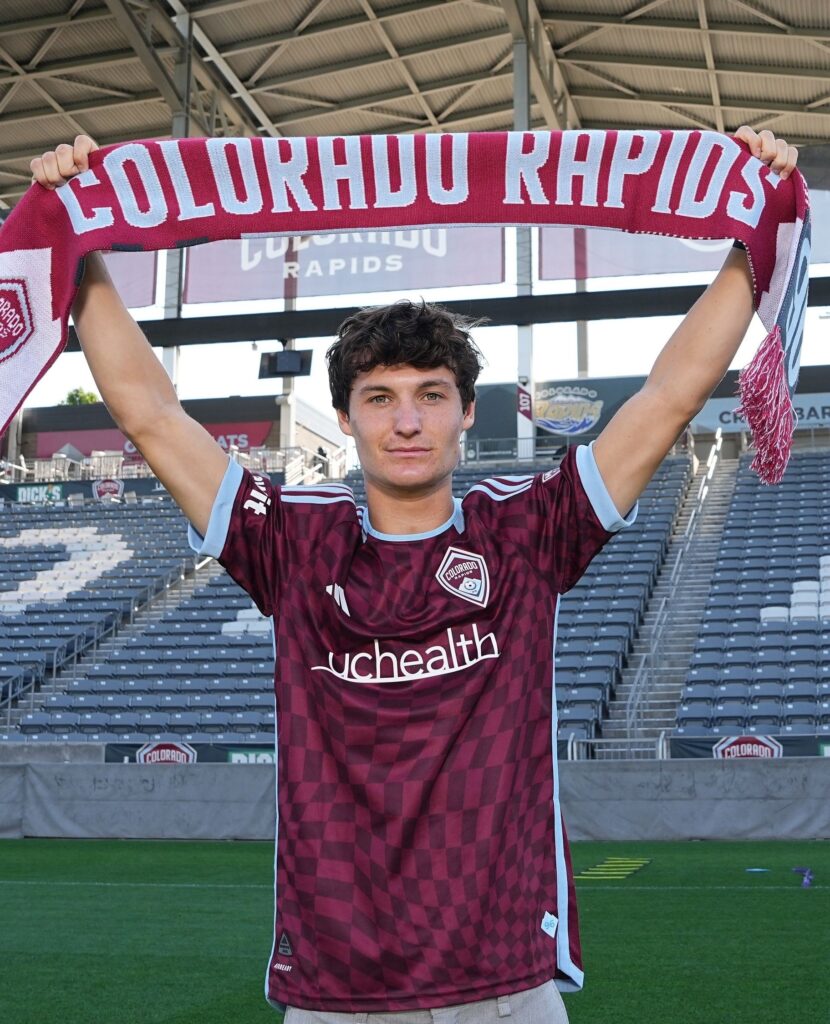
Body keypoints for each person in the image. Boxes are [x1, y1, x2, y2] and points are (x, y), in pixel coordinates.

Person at [31, 127, 797, 1024]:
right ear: (346, 418)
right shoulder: (291, 541)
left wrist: (754, 231)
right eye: (380, 399)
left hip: (505, 979)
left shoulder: (524, 531)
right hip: (337, 987)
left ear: (467, 412)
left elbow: (668, 397)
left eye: (431, 395)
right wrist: (78, 243)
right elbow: (154, 415)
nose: (407, 422)